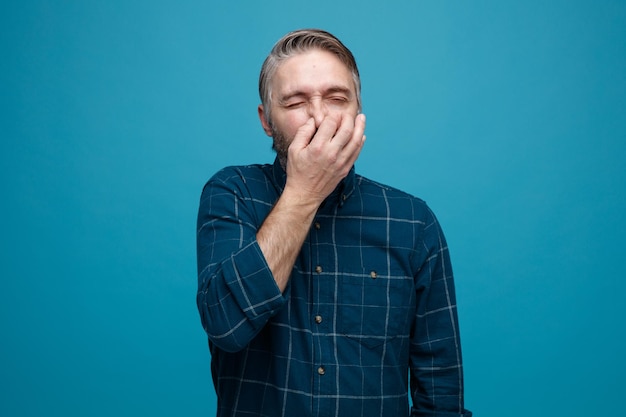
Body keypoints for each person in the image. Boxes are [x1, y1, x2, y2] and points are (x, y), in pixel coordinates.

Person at [196, 28, 472, 417]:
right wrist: (304, 191)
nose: (320, 116)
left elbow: (441, 395)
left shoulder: (413, 223)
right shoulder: (232, 193)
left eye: (336, 98)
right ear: (266, 120)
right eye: (295, 102)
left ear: (358, 111)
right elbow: (226, 325)